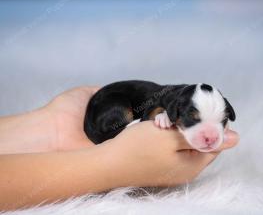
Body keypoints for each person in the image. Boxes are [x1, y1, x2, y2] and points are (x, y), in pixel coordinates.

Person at [0, 86, 239, 211]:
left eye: (221, 122)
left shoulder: (179, 102)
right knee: (123, 115)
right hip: (112, 104)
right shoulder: (168, 103)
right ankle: (114, 131)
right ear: (175, 109)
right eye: (193, 120)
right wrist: (113, 162)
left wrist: (55, 126)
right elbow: (152, 113)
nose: (210, 135)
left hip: (107, 112)